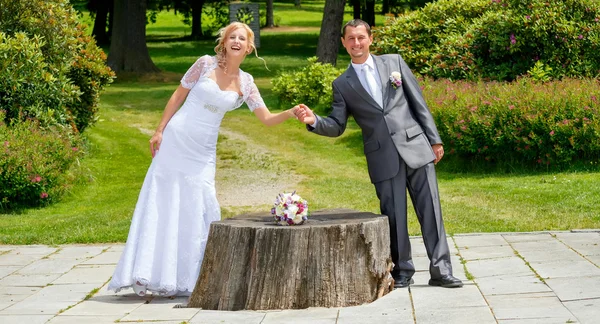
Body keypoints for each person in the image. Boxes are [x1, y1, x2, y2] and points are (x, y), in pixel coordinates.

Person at [108, 22, 299, 297]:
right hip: (177, 139)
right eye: (231, 36)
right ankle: (149, 273)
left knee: (200, 203)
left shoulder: (246, 83)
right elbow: (178, 95)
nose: (235, 41)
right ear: (224, 42)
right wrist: (159, 130)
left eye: (241, 38)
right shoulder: (204, 64)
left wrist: (291, 112)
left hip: (203, 152)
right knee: (163, 201)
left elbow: (267, 119)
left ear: (249, 47)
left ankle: (190, 276)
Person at [296, 19, 463, 289]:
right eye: (350, 38)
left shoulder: (394, 63)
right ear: (343, 42)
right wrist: (313, 120)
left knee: (431, 211)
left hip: (416, 147)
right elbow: (337, 125)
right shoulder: (342, 84)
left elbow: (418, 102)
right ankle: (403, 271)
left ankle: (441, 271)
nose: (356, 43)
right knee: (394, 218)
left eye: (361, 37)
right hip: (381, 157)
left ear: (370, 39)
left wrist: (434, 139)